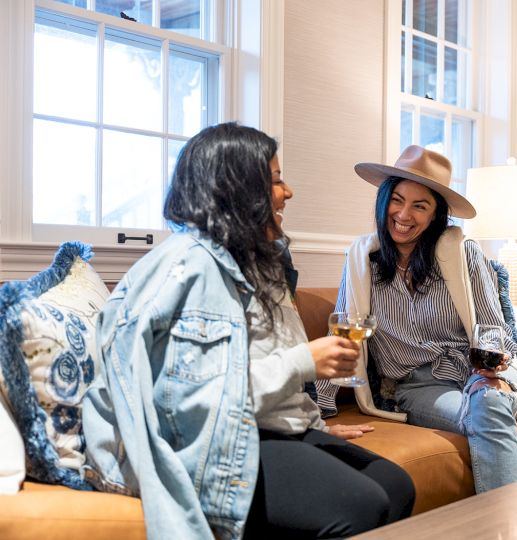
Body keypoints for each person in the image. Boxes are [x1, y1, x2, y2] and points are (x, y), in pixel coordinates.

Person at [82, 123, 415, 540]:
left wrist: (314, 422)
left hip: (260, 425)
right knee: (360, 503)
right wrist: (303, 363)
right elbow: (190, 401)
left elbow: (262, 364)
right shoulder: (191, 267)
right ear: (239, 191)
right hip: (208, 439)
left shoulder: (259, 262)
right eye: (276, 181)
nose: (288, 192)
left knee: (396, 484)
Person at [316, 145, 517, 494]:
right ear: (383, 201)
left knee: (489, 399)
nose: (404, 214)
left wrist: (492, 374)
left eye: (419, 205)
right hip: (419, 386)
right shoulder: (361, 260)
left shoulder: (463, 254)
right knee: (490, 410)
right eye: (397, 199)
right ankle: (516, 521)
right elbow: (346, 335)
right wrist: (320, 408)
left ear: (436, 214)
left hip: (481, 371)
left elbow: (494, 330)